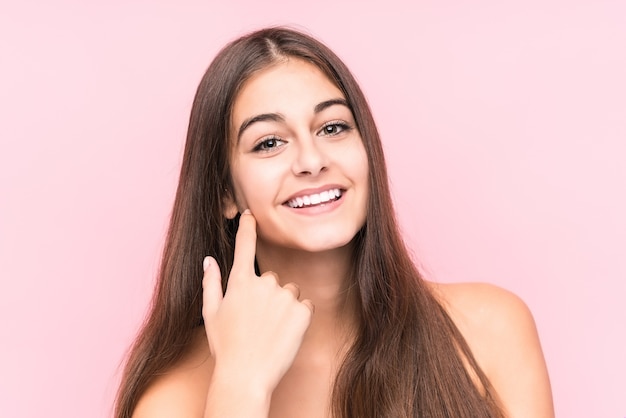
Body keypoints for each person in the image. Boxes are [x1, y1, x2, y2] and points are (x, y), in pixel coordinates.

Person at [114, 27, 554, 418]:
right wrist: (239, 386)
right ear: (224, 193)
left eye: (332, 127)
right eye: (269, 142)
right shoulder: (174, 398)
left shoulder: (492, 329)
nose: (311, 160)